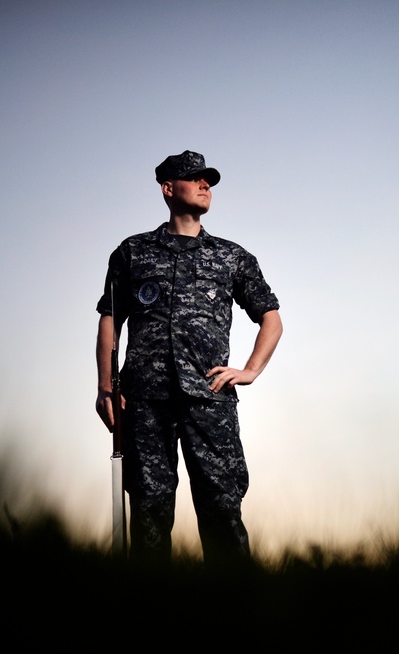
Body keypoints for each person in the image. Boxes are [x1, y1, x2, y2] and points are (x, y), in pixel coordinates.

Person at [95, 150, 282, 566]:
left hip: (209, 398)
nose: (205, 185)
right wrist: (105, 388)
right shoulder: (132, 252)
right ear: (168, 188)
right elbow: (110, 320)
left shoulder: (232, 256)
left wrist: (250, 370)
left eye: (208, 180)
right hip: (144, 401)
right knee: (149, 509)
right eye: (194, 178)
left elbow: (271, 318)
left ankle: (235, 607)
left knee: (221, 507)